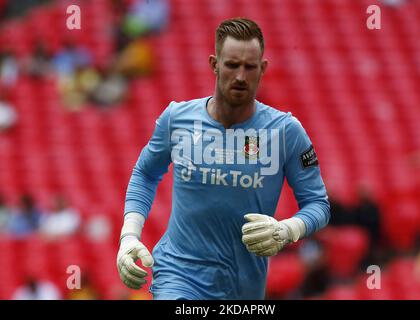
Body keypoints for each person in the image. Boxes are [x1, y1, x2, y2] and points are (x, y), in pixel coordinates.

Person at [116, 17, 330, 300]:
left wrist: (286, 229)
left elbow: (318, 204)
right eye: (231, 65)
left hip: (243, 288)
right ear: (214, 64)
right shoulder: (177, 120)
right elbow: (145, 173)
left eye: (249, 67)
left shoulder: (285, 132)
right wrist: (129, 235)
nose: (240, 76)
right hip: (178, 276)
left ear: (262, 69)